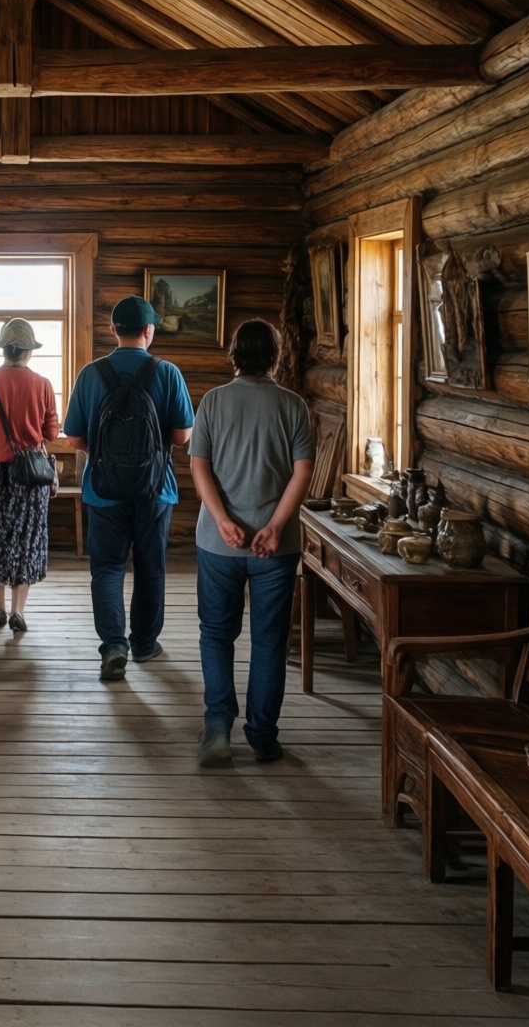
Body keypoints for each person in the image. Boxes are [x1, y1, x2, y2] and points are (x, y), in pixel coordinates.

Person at [190, 318, 314, 767]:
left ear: (235, 356)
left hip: (219, 544)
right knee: (268, 641)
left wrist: (223, 520)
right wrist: (276, 526)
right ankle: (262, 736)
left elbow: (199, 466)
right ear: (275, 357)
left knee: (217, 635)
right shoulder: (293, 406)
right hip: (275, 548)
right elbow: (303, 472)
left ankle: (218, 729)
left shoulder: (214, 402)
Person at [63, 295, 194, 681]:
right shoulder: (167, 372)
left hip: (103, 490)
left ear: (113, 329)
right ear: (149, 330)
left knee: (106, 569)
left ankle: (113, 646)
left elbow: (73, 438)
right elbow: (182, 436)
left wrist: (104, 451)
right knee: (151, 568)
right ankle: (145, 644)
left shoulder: (91, 373)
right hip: (155, 491)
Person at [0, 318, 59, 633]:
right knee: (26, 537)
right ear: (29, 352)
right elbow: (52, 432)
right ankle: (19, 611)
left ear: (4, 349)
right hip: (29, 474)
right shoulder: (43, 384)